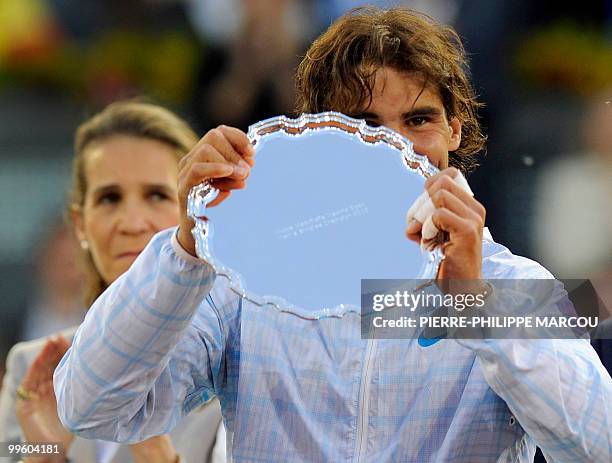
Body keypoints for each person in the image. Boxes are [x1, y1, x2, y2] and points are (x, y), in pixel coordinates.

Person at [54, 8, 611, 462]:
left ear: (454, 131)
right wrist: (184, 249)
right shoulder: (241, 283)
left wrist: (471, 306)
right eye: (365, 126)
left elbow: (598, 445)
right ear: (318, 138)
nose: (397, 147)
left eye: (418, 120)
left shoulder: (513, 283)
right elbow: (92, 409)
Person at [0, 101, 225, 462]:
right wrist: (45, 454)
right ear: (79, 223)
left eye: (157, 195)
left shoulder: (231, 376)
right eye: (110, 198)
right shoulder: (32, 371)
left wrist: (157, 454)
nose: (132, 222)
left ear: (194, 210)